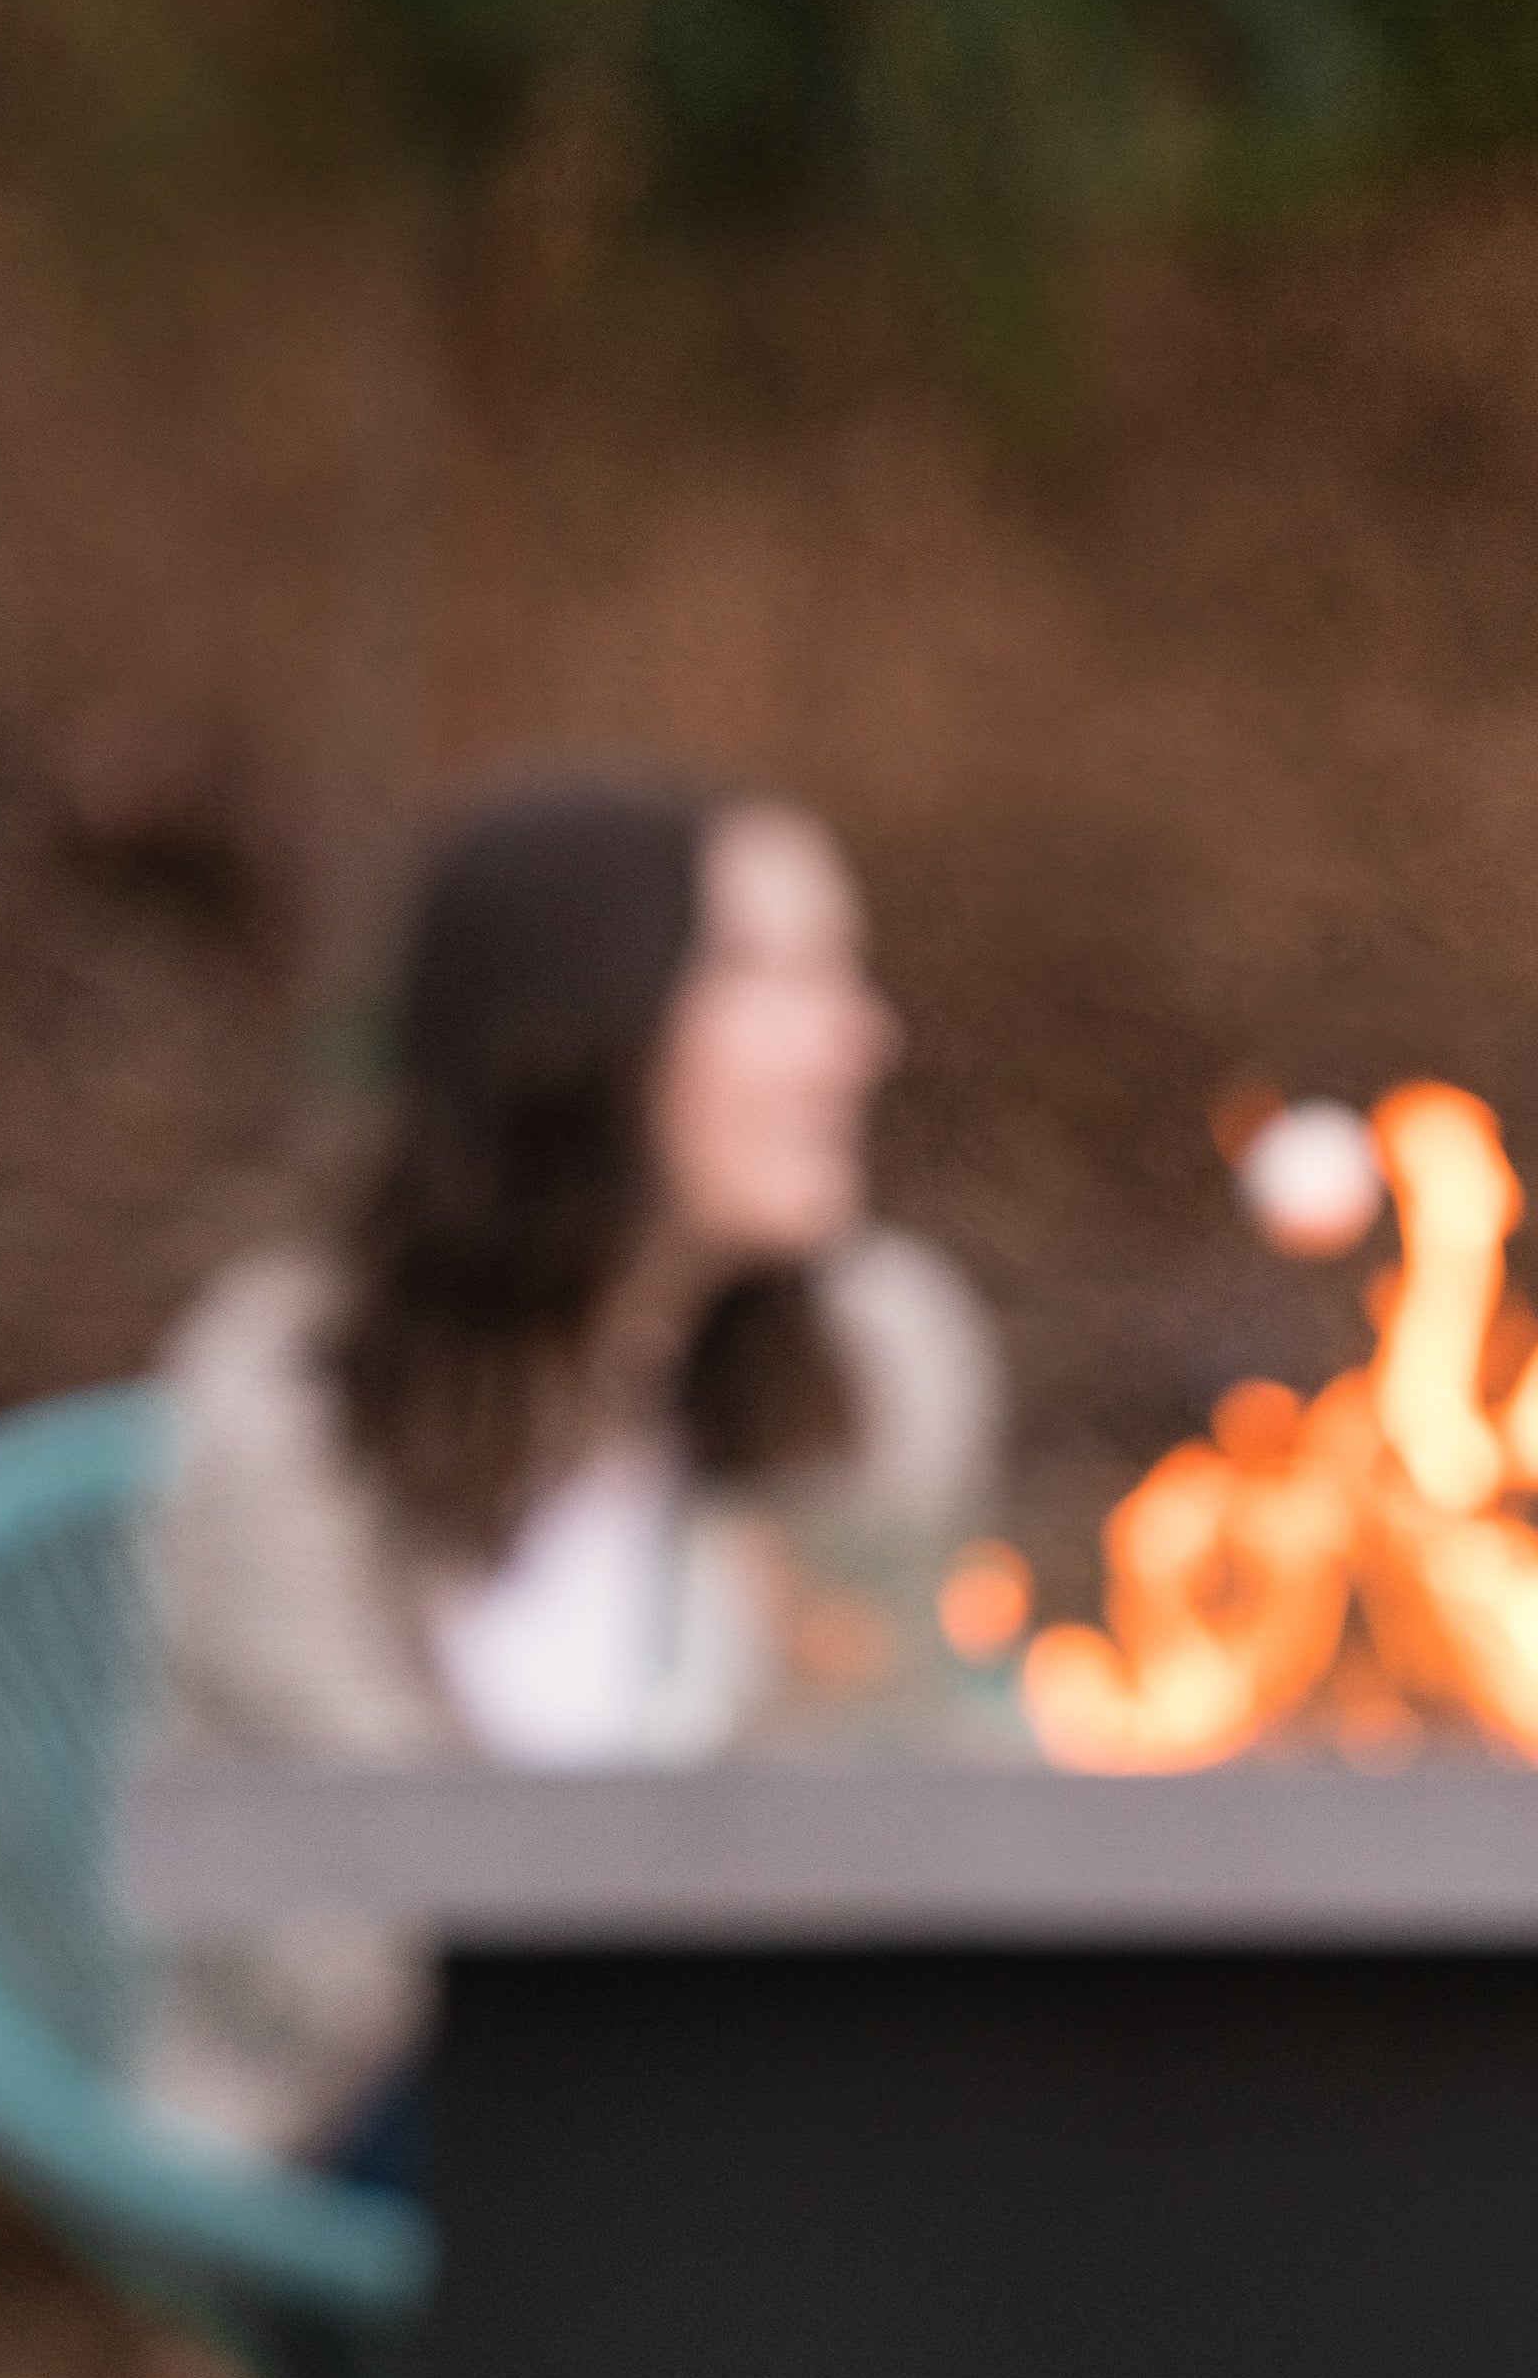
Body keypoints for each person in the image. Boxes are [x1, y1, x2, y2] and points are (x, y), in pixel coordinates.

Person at [143, 771, 1001, 2173]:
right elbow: (336, 1926)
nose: (860, 1038)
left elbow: (891, 1772)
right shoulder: (291, 1398)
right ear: (571, 1019)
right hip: (393, 2138)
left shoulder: (884, 1366)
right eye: (770, 974)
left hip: (775, 2128)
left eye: (846, 973)